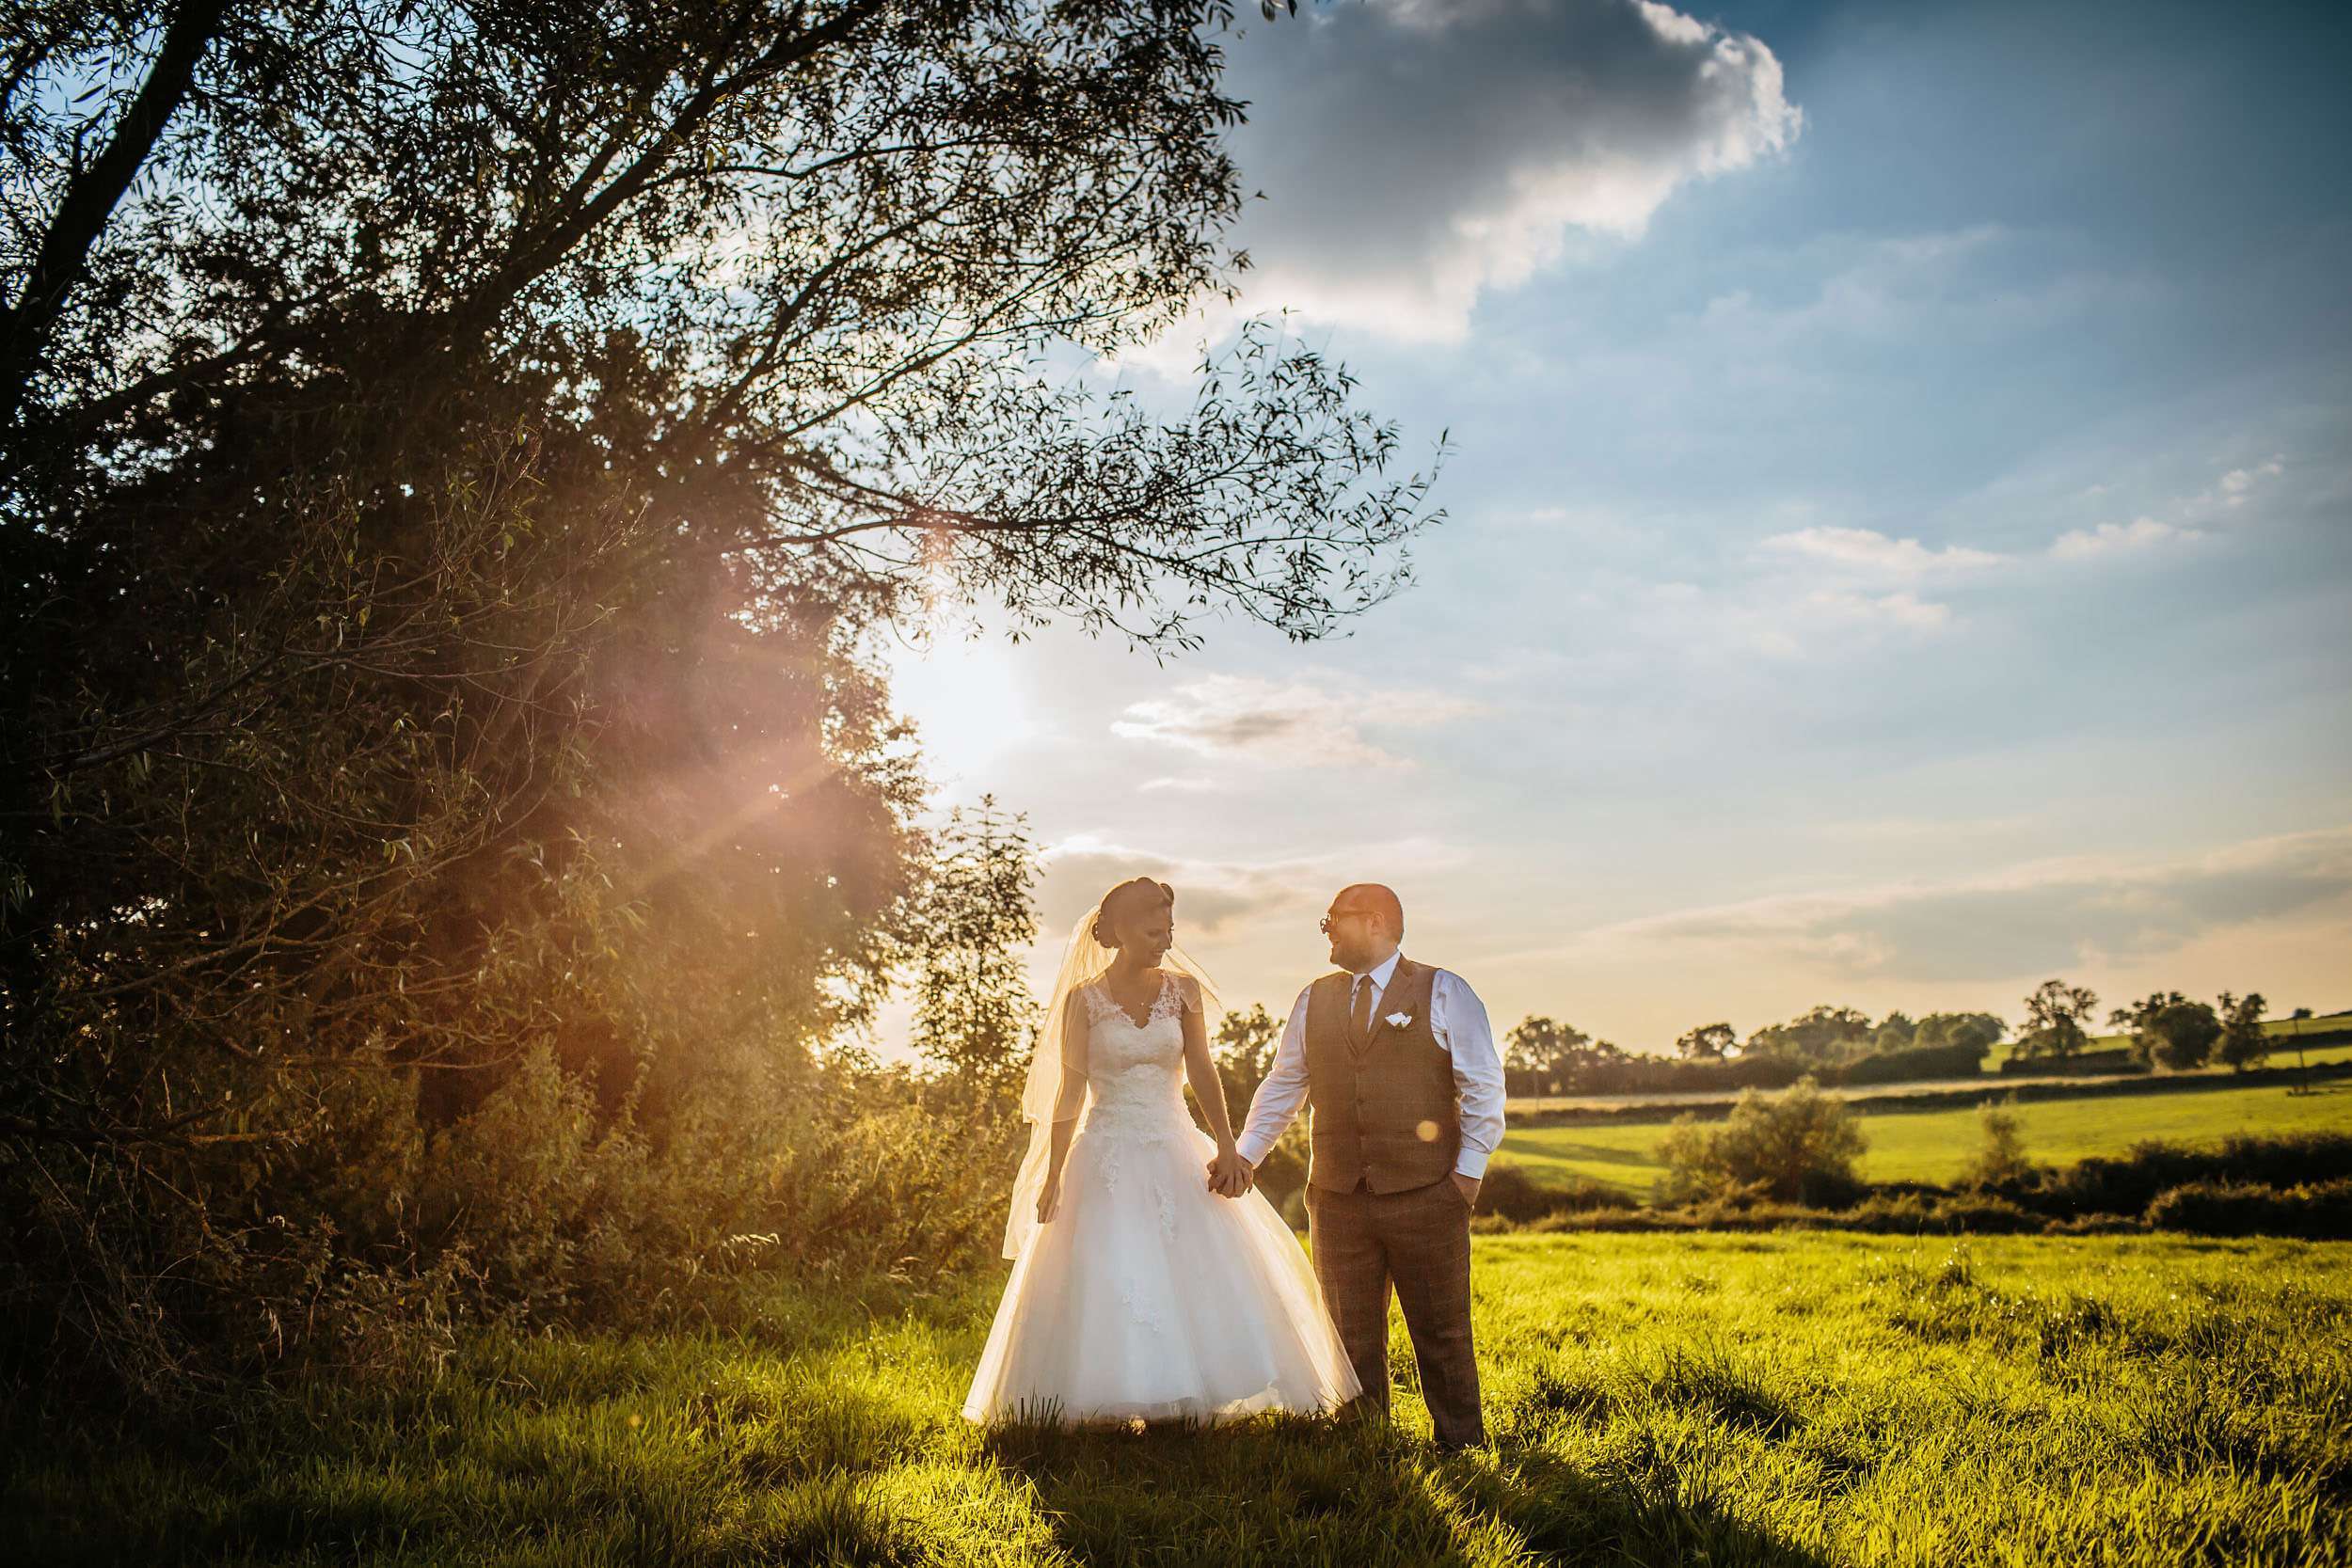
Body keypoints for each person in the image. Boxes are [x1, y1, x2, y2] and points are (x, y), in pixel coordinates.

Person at [961, 878, 1360, 1426]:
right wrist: (1053, 1174)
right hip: (1105, 1154)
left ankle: (1194, 1397)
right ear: (1119, 930)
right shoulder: (1083, 1001)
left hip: (1177, 1145)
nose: (1165, 940)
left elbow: (1202, 1069)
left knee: (1197, 1267)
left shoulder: (1183, 990)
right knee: (1114, 1267)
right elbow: (1070, 1091)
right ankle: (1110, 1394)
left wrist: (1227, 1144)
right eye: (1153, 930)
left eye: (1170, 929)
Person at [1209, 882, 1504, 1452]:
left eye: (1332, 920)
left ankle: (1462, 1448)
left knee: (1442, 1332)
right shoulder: (1313, 998)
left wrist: (1465, 1179)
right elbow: (1285, 1084)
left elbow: (1483, 1087)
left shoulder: (1446, 991)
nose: (1325, 930)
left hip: (1428, 1194)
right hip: (1338, 1196)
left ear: (1373, 921)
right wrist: (1245, 1155)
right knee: (1348, 1338)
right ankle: (1365, 1451)